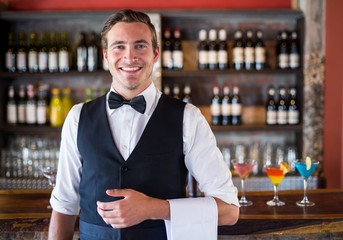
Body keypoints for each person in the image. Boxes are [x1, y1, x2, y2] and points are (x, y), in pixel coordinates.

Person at [48, 9, 239, 240]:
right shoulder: (78, 117)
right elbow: (64, 207)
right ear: (106, 55)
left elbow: (229, 210)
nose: (130, 57)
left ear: (156, 53)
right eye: (119, 46)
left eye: (140, 46)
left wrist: (153, 208)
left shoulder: (188, 117)